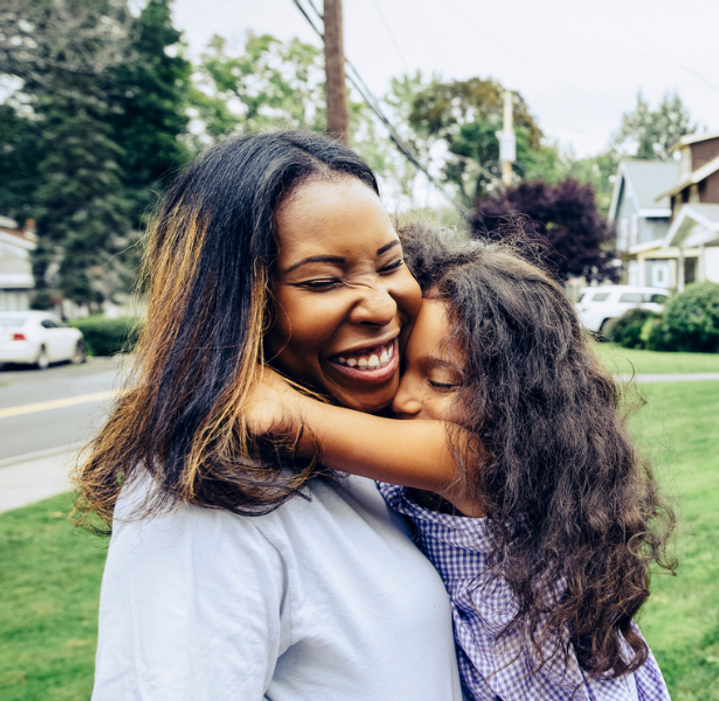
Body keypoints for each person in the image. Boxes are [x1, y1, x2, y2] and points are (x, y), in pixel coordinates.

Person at [75, 132, 466, 700]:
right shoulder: (204, 498)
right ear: (233, 304)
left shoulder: (357, 438)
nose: (382, 305)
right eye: (323, 281)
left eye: (389, 264)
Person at [251, 228, 676, 700]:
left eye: (441, 382)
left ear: (516, 406)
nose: (405, 398)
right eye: (402, 365)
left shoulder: (475, 461)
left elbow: (275, 415)